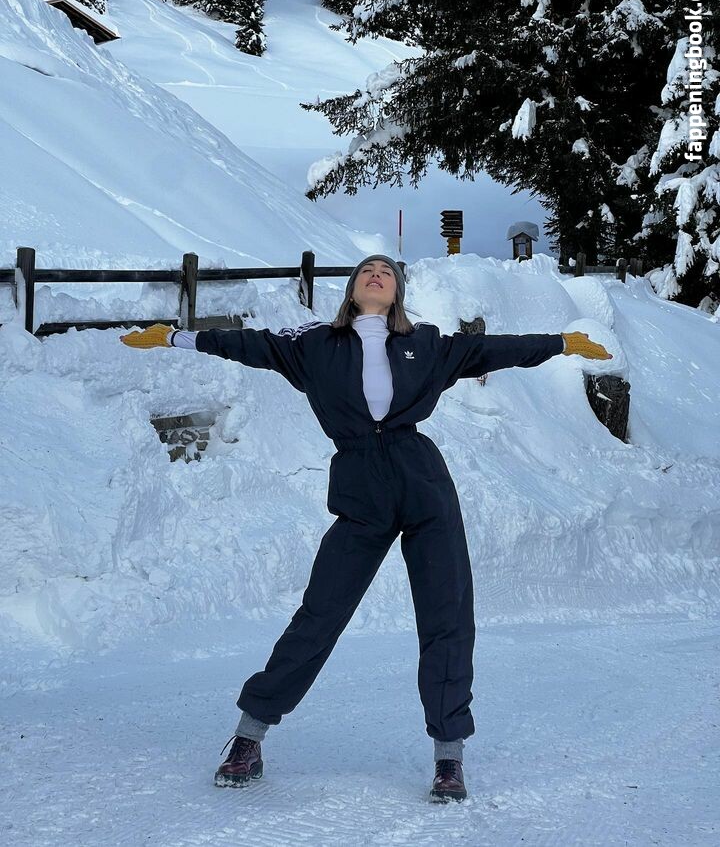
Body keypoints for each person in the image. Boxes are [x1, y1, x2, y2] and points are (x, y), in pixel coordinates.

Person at [120, 254, 612, 802]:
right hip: (359, 489)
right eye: (366, 270)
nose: (377, 274)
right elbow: (247, 345)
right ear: (353, 287)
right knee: (320, 613)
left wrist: (561, 343)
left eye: (387, 272)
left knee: (446, 614)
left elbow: (494, 348)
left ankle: (449, 756)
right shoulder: (314, 345)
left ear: (396, 290)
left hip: (423, 483)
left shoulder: (427, 343)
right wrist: (174, 338)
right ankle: (248, 737)